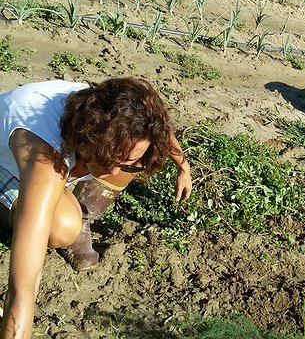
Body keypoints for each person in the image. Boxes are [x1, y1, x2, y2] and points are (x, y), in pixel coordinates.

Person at [0, 77, 192, 338]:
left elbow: (158, 127)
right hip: (7, 165)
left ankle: (76, 207)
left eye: (125, 160)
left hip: (56, 162)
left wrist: (183, 165)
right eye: (109, 156)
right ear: (88, 135)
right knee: (61, 228)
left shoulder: (123, 120)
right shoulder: (47, 157)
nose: (114, 171)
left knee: (128, 163)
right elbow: (23, 286)